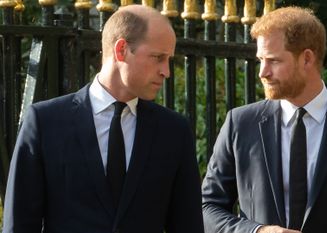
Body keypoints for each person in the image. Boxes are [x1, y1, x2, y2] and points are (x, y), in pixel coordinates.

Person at [201, 6, 327, 233]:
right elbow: (207, 207)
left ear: (307, 58)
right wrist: (257, 231)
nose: (262, 72)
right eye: (260, 59)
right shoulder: (240, 124)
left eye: (274, 61)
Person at [2, 4, 204, 233]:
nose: (166, 71)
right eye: (158, 57)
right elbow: (18, 225)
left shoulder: (174, 132)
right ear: (121, 50)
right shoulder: (45, 122)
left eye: (169, 60)